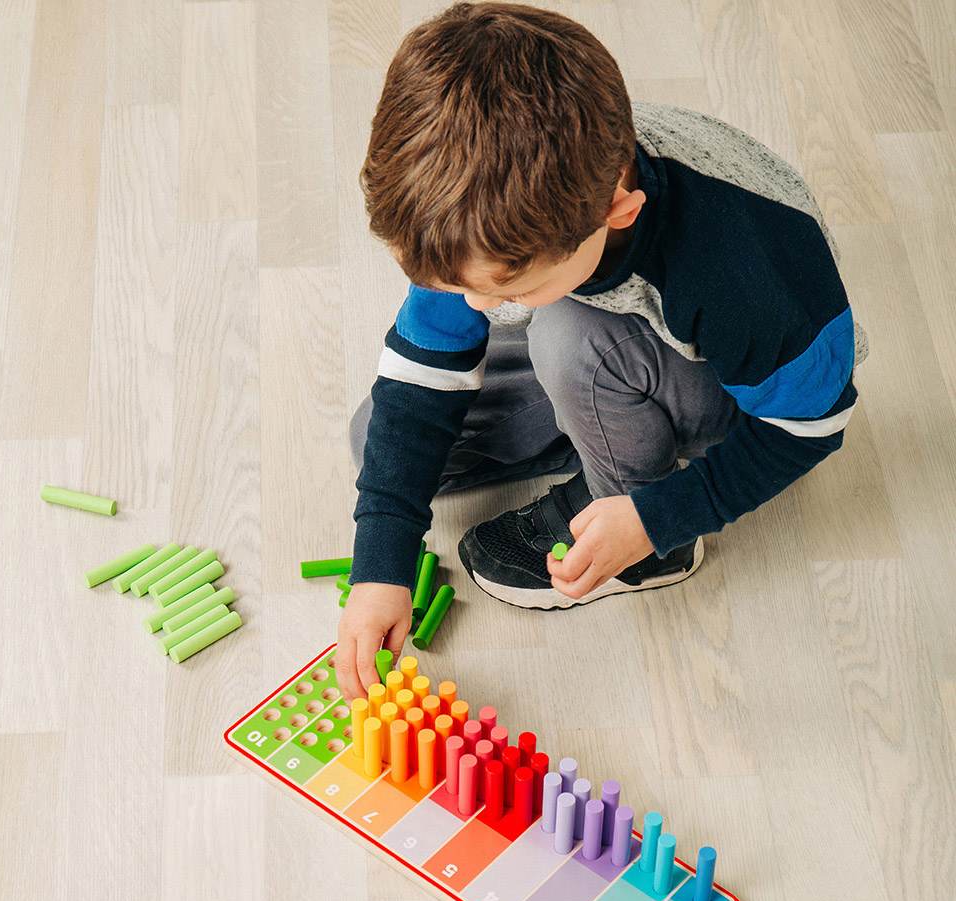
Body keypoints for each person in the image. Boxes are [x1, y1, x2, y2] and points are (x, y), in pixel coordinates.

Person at [335, 2, 867, 700]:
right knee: (378, 436)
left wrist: (656, 518)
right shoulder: (488, 208)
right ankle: (603, 420)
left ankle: (644, 536)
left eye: (502, 288)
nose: (476, 307)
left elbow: (811, 426)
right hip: (601, 314)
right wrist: (381, 561)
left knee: (571, 338)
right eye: (454, 286)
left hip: (744, 382)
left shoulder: (736, 269)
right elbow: (425, 373)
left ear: (617, 213)